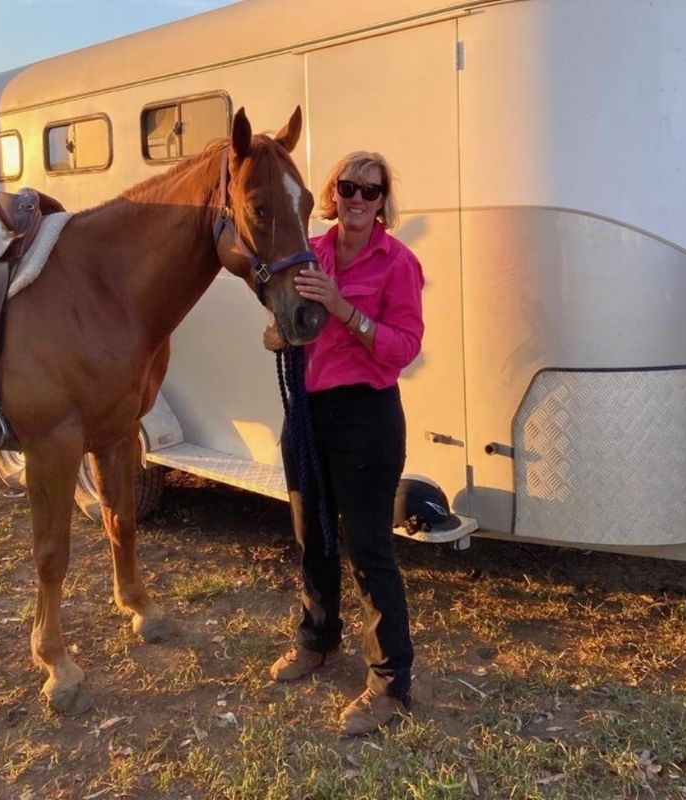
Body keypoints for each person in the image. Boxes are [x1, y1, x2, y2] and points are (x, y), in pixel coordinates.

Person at [264, 151, 424, 736]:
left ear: (383, 202)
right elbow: (287, 318)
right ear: (333, 193)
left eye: (370, 191)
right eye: (348, 188)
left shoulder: (398, 262)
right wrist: (280, 329)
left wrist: (340, 307)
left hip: (367, 416)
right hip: (309, 412)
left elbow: (403, 347)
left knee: (368, 548)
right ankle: (319, 640)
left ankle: (389, 684)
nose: (357, 200)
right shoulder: (313, 250)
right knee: (312, 537)